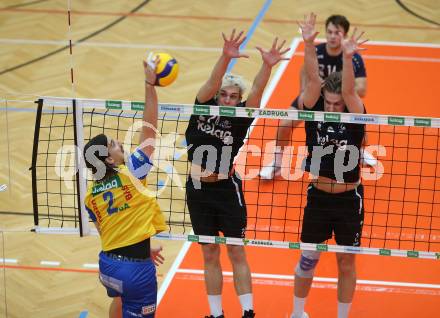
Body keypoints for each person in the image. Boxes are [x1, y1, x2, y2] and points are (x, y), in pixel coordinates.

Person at [185, 29, 289, 318]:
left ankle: (247, 313)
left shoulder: (242, 119)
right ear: (217, 96)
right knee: (208, 253)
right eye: (224, 95)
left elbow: (256, 92)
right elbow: (212, 81)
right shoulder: (202, 106)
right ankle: (216, 314)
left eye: (234, 97)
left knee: (236, 251)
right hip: (197, 190)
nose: (228, 99)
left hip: (226, 190)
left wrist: (267, 66)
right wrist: (224, 57)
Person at [290, 13, 367, 318]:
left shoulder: (355, 112)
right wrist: (309, 44)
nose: (333, 108)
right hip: (318, 198)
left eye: (338, 104)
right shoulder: (316, 109)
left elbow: (349, 90)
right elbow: (312, 79)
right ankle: (297, 313)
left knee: (346, 262)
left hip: (349, 199)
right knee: (308, 259)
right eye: (329, 103)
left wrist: (348, 57)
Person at [83, 56, 167, 318]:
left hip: (108, 266)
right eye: (114, 144)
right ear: (109, 159)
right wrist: (149, 85)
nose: (120, 142)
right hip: (135, 271)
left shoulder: (89, 196)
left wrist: (143, 247)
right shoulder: (132, 172)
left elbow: (106, 230)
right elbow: (150, 130)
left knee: (119, 302)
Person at [259, 14, 373, 180]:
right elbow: (305, 71)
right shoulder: (317, 52)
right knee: (284, 125)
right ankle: (276, 164)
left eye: (337, 33)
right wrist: (304, 93)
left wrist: (337, 87)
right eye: (330, 32)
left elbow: (361, 89)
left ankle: (359, 151)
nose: (332, 36)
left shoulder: (353, 57)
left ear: (345, 35)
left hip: (341, 101)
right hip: (315, 98)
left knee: (362, 130)